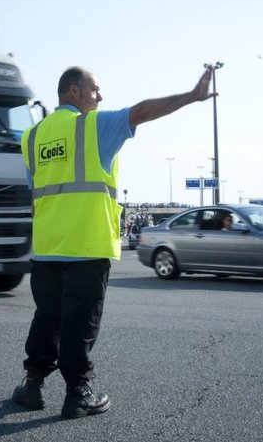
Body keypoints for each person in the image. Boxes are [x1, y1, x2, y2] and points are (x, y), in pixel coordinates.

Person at [12, 64, 215, 419]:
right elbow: (141, 112)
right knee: (80, 322)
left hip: (46, 249)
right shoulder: (93, 126)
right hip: (87, 247)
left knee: (48, 317)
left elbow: (35, 196)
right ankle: (78, 393)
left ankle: (32, 386)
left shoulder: (31, 137)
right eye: (95, 90)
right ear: (73, 92)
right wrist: (190, 97)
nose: (100, 97)